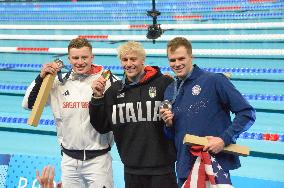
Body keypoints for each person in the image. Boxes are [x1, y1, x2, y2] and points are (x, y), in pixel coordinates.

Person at [160, 37, 256, 187]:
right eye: (172, 60)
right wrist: (168, 124)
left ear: (191, 57)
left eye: (181, 58)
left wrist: (224, 139)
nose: (177, 64)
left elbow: (247, 113)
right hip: (185, 167)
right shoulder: (170, 90)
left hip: (214, 166)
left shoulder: (214, 80)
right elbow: (172, 136)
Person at [22, 38, 114, 188]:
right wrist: (41, 78)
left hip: (99, 161)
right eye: (75, 58)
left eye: (84, 57)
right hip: (69, 161)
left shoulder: (107, 80)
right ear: (69, 59)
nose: (80, 62)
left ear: (92, 57)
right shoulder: (58, 82)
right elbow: (28, 104)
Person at [89, 41, 178, 188]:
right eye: (125, 60)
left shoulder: (164, 83)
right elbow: (101, 126)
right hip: (132, 170)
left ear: (142, 60)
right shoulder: (113, 92)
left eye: (133, 59)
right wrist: (97, 98)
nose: (128, 64)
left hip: (163, 169)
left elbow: (179, 117)